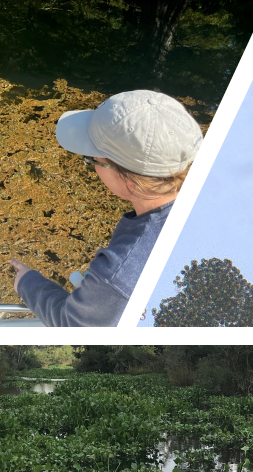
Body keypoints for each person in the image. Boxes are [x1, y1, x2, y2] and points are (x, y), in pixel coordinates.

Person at [10, 90, 202, 326]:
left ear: (129, 180)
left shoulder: (119, 272)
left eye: (92, 160)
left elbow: (72, 325)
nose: (91, 166)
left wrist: (28, 283)